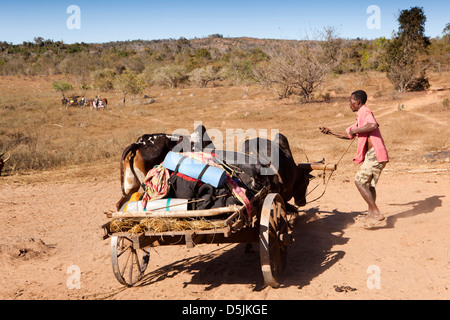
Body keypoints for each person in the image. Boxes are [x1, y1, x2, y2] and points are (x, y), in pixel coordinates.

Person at [320, 90, 389, 228]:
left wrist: (355, 131)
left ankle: (376, 212)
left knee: (359, 181)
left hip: (375, 153)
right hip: (375, 154)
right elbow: (348, 134)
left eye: (350, 101)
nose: (349, 104)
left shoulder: (365, 111)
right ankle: (371, 213)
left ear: (358, 102)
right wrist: (331, 132)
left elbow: (373, 125)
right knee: (369, 184)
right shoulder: (360, 117)